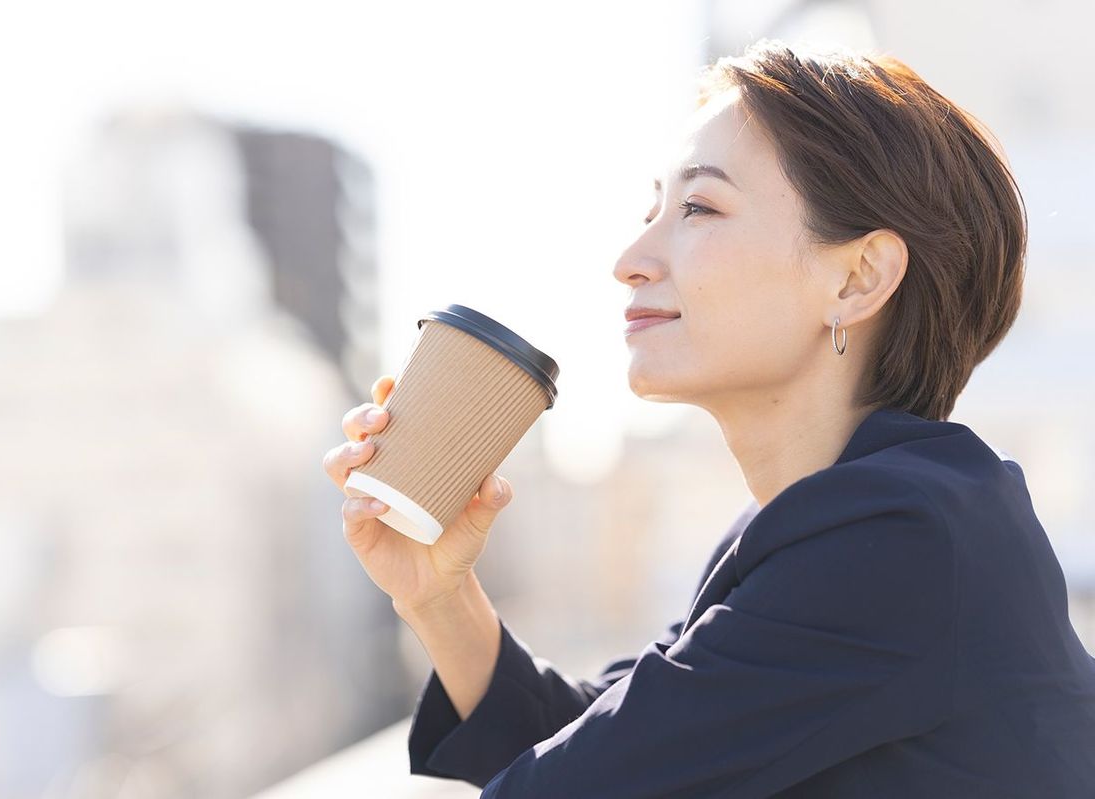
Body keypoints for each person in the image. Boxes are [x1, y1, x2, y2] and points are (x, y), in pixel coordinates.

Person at [321, 38, 1095, 797]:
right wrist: (438, 592)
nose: (630, 257)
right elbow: (609, 736)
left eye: (698, 205)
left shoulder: (900, 535)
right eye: (654, 208)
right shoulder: (830, 521)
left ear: (858, 278)